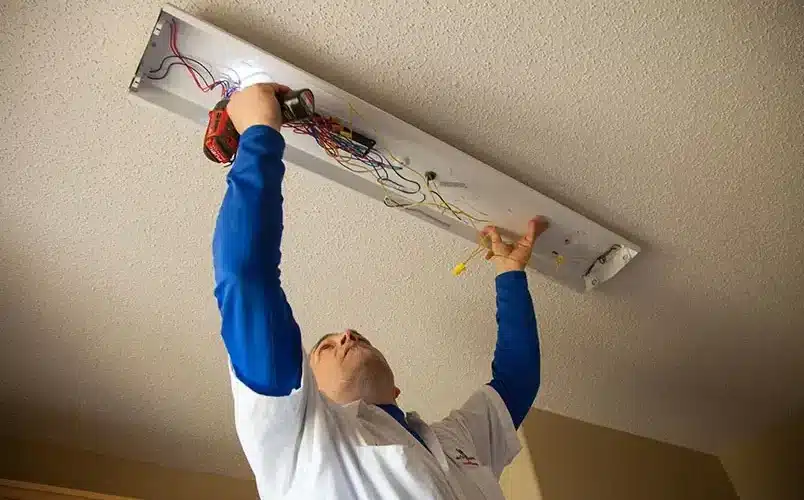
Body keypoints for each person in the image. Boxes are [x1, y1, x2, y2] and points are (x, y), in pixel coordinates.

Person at [213, 83, 546, 499]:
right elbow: (247, 280)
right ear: (306, 387)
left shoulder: (458, 443)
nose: (346, 335)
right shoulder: (300, 438)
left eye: (349, 338)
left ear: (397, 390)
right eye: (326, 348)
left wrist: (510, 274)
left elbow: (516, 381)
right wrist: (259, 131)